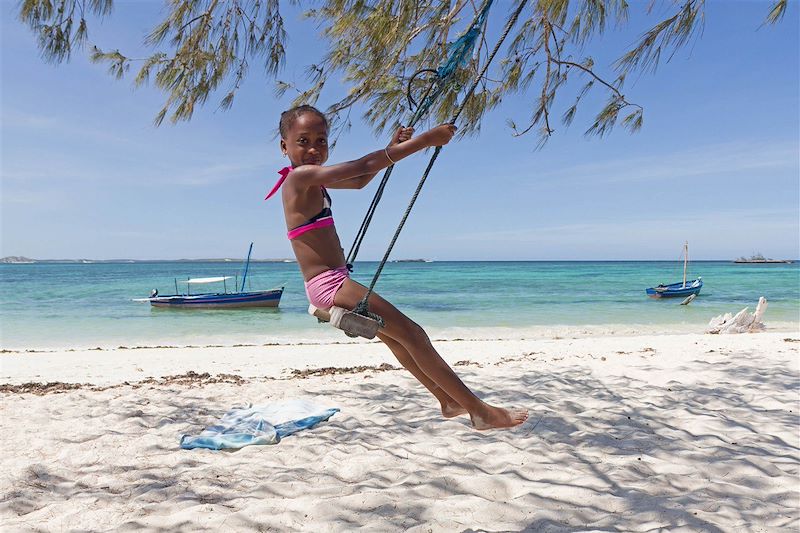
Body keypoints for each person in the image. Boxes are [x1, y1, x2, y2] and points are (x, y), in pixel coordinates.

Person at [268, 104, 528, 430]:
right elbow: (363, 163)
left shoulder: (311, 181)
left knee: (397, 338)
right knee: (414, 334)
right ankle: (480, 411)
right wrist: (425, 141)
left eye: (321, 141)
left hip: (330, 282)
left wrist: (392, 148)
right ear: (284, 147)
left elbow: (362, 178)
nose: (313, 149)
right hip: (329, 284)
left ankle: (446, 400)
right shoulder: (300, 178)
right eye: (303, 141)